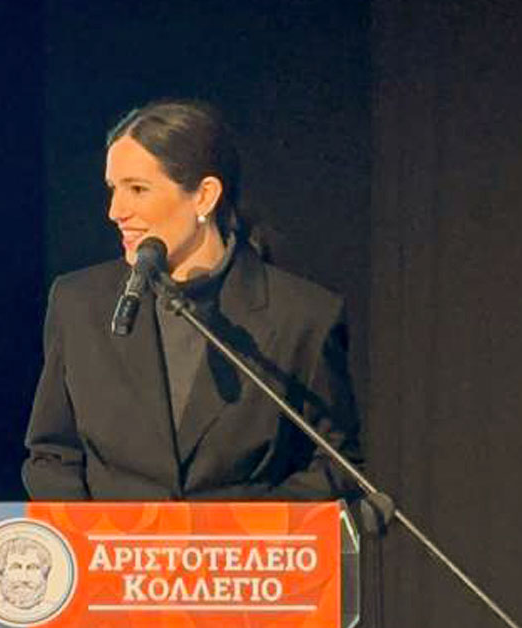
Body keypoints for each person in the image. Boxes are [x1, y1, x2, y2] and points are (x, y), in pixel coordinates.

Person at [21, 99, 362, 501]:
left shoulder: (303, 316)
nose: (115, 211)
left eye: (137, 189)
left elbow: (337, 468)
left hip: (245, 543)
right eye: (113, 189)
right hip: (107, 541)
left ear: (204, 196)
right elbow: (52, 456)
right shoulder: (79, 304)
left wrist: (236, 526)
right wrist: (92, 531)